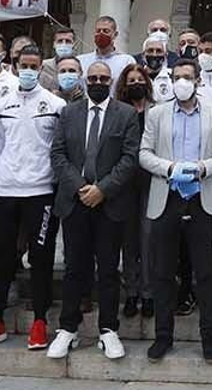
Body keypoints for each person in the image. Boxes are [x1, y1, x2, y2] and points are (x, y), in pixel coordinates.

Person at [139, 57, 212, 362]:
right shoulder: (157, 114)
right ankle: (163, 337)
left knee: (204, 272)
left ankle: (209, 337)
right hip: (166, 197)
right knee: (163, 272)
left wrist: (204, 168)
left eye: (187, 76)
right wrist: (171, 168)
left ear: (198, 81)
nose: (181, 81)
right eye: (177, 76)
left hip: (201, 199)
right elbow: (144, 154)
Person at [48, 59, 142, 359]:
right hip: (75, 202)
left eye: (104, 79)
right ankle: (68, 328)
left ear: (111, 81)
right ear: (85, 81)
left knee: (109, 270)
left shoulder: (125, 114)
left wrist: (102, 189)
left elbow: (130, 157)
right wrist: (81, 187)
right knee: (75, 268)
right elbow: (59, 154)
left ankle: (109, 330)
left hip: (110, 203)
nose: (98, 83)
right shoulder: (69, 112)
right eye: (93, 78)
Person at [0, 47, 65, 350]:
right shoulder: (1, 105)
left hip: (40, 191)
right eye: (23, 65)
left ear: (40, 68)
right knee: (2, 256)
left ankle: (40, 320)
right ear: (14, 66)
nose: (28, 70)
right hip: (5, 190)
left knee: (40, 258)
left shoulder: (55, 104)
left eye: (33, 66)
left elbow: (57, 148)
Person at [114, 63, 156, 320]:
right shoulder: (118, 111)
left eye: (140, 79)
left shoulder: (157, 111)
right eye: (131, 80)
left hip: (152, 180)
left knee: (148, 238)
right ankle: (131, 292)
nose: (136, 84)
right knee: (129, 240)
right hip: (125, 183)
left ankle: (149, 293)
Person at [79, 16, 136, 83]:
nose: (101, 33)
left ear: (115, 35)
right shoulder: (81, 61)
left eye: (106, 31)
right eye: (98, 31)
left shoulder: (127, 61)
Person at [39, 26, 77, 93]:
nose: (64, 44)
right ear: (54, 44)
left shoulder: (80, 66)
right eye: (60, 41)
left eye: (68, 41)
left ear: (74, 44)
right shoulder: (43, 66)